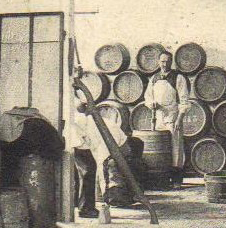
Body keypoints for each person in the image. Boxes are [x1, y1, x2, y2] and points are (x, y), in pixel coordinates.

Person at [68, 70, 134, 216]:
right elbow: (102, 162)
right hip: (79, 135)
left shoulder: (71, 88)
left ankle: (78, 204)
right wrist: (106, 194)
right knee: (88, 170)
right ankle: (86, 209)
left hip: (80, 132)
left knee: (81, 171)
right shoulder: (114, 135)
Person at [144, 51, 189, 187]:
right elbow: (147, 96)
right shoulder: (154, 78)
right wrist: (151, 103)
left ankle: (176, 180)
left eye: (167, 61)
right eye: (162, 61)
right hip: (158, 118)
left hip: (172, 118)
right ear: (159, 62)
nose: (165, 64)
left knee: (176, 149)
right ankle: (162, 179)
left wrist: (179, 119)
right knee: (159, 148)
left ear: (171, 62)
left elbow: (184, 101)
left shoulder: (178, 78)